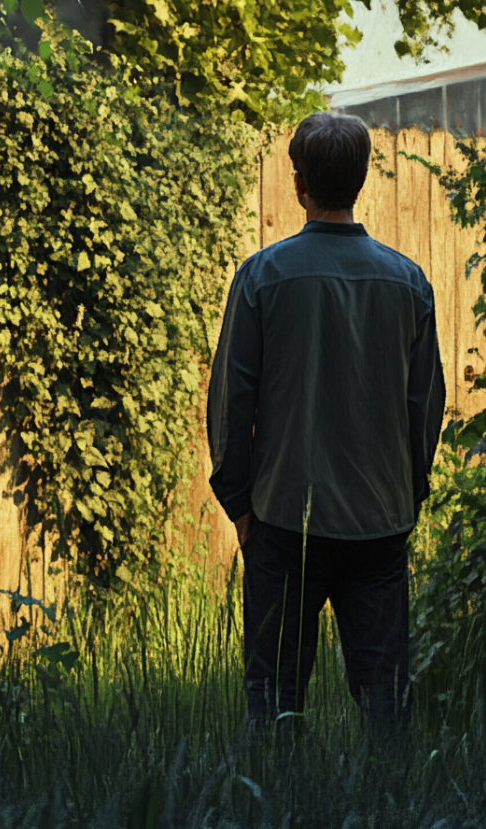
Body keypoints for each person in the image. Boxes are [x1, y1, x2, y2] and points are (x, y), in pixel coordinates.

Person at [206, 111, 445, 732]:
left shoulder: (262, 277)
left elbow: (232, 403)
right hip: (379, 524)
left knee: (275, 703)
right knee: (386, 707)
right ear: (362, 179)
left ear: (297, 183)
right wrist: (407, 494)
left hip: (283, 521)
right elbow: (426, 406)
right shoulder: (408, 282)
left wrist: (240, 504)